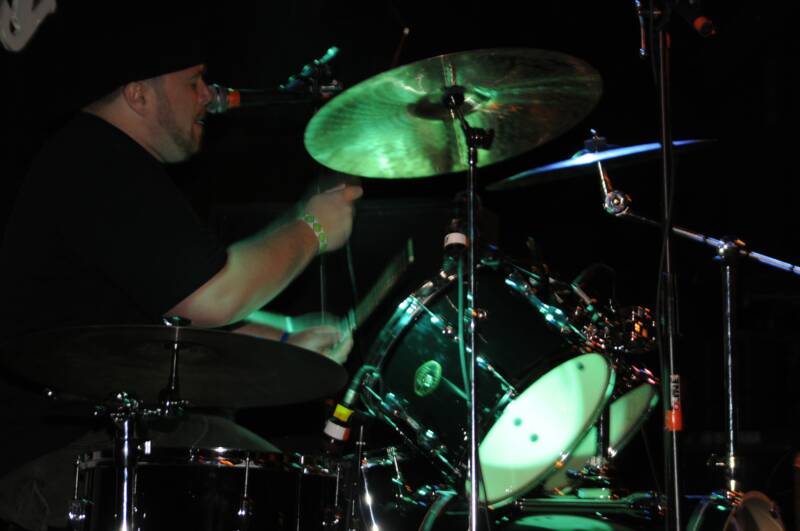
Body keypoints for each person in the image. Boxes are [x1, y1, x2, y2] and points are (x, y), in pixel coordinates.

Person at [0, 6, 362, 530]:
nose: (209, 97)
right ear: (139, 94)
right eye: (194, 82)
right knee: (281, 493)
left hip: (95, 445)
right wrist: (314, 229)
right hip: (60, 458)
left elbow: (165, 319)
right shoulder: (98, 163)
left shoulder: (103, 161)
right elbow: (211, 297)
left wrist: (284, 338)